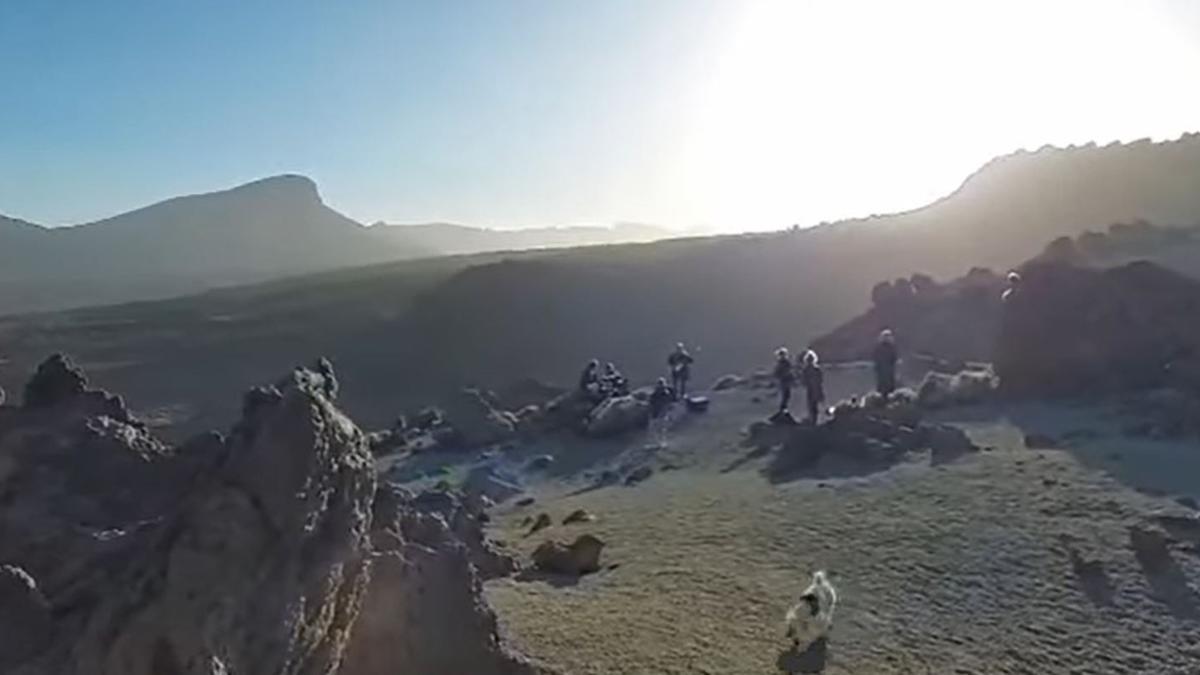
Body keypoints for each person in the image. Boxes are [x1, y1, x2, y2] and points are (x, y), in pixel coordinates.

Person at [872, 329, 898, 399]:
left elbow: (894, 358)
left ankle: (885, 396)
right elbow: (894, 359)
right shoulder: (884, 348)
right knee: (884, 384)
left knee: (887, 384)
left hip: (887, 370)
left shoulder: (886, 347)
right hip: (885, 370)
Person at [800, 349, 825, 424]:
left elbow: (803, 382)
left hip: (811, 390)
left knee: (812, 406)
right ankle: (814, 420)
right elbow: (820, 380)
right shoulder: (817, 369)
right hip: (816, 389)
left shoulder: (806, 370)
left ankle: (813, 421)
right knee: (814, 406)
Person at [773, 347, 795, 414]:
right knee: (785, 396)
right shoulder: (783, 363)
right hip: (784, 382)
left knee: (786, 396)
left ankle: (783, 410)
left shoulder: (784, 363)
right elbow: (777, 374)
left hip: (785, 382)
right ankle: (783, 410)